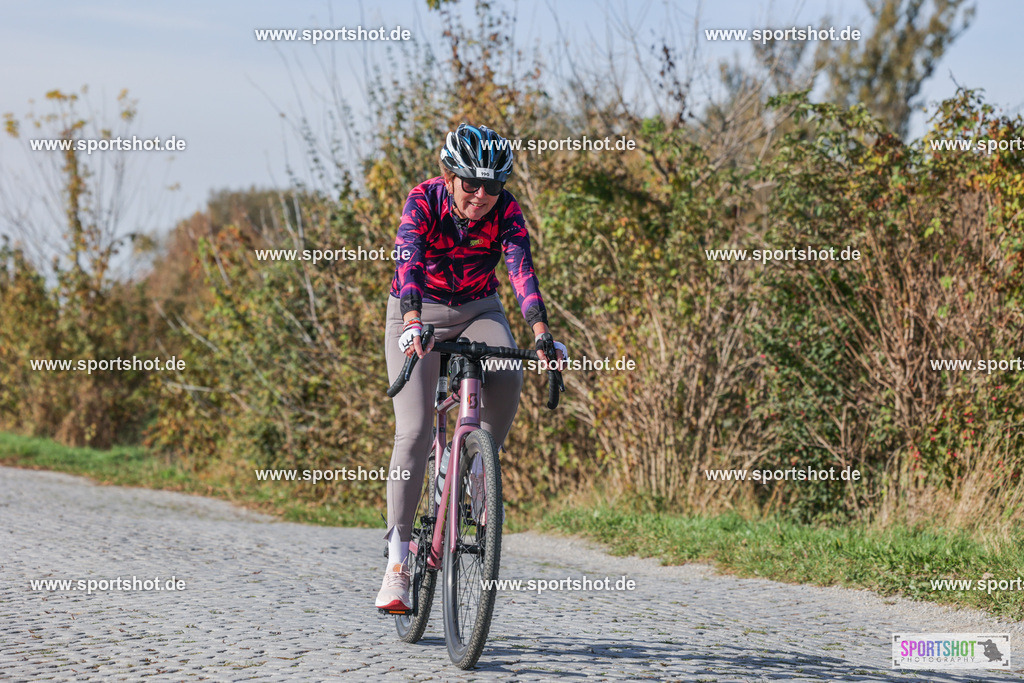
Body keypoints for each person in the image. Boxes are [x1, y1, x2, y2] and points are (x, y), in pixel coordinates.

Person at [375, 123, 565, 611]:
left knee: (508, 371)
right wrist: (412, 321)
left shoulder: (506, 211)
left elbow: (521, 270)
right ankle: (398, 562)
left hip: (478, 308)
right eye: (471, 183)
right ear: (449, 176)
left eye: (493, 186)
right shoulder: (424, 200)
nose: (481, 195)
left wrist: (541, 333)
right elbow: (407, 261)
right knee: (414, 430)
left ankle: (473, 467)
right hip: (418, 310)